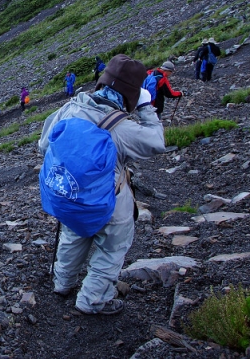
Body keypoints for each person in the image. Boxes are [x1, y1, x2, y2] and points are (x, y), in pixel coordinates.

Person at [38, 54, 165, 315]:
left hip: (71, 196)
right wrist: (146, 108)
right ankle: (91, 300)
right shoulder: (122, 128)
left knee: (73, 235)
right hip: (110, 202)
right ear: (132, 94)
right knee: (111, 248)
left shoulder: (71, 108)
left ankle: (62, 283)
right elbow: (157, 143)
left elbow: (43, 145)